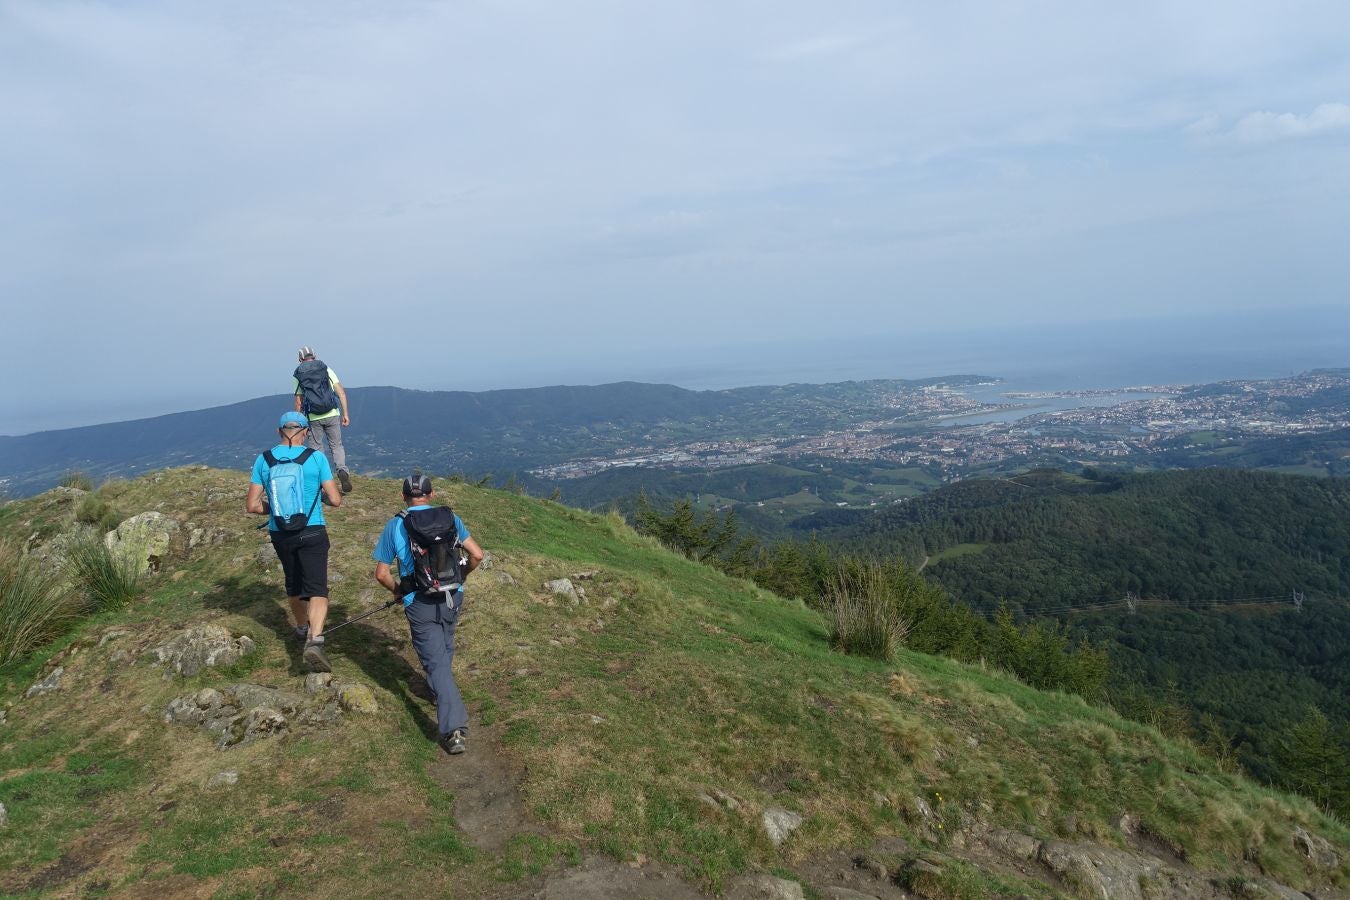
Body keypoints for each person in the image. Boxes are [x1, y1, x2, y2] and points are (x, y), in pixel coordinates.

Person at [372, 473, 484, 755]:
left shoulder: (395, 525)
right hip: (452, 595)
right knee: (444, 647)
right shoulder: (449, 519)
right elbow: (477, 555)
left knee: (435, 662)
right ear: (431, 495)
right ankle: (441, 694)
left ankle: (454, 728)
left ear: (404, 497)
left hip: (418, 601)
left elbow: (381, 574)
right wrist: (462, 577)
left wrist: (398, 591)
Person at [245, 411, 344, 672]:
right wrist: (319, 497)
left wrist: (275, 510)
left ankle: (301, 627)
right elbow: (335, 499)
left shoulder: (263, 460)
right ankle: (316, 639)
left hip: (281, 533)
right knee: (317, 588)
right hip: (312, 530)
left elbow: (252, 505)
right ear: (304, 433)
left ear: (279, 432)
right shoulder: (316, 458)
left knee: (293, 583)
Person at [293, 346, 353, 494]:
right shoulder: (326, 369)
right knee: (336, 445)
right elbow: (341, 393)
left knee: (317, 449)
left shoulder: (298, 374)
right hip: (332, 413)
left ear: (300, 359)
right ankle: (341, 470)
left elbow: (299, 402)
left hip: (313, 417)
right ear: (315, 356)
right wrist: (345, 414)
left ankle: (322, 479)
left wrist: (299, 424)